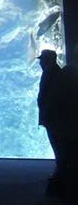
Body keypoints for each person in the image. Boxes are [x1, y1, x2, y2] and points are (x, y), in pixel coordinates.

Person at [44, 47, 78, 205]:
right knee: (69, 159)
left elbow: (53, 99)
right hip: (69, 124)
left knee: (67, 159)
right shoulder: (68, 72)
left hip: (67, 124)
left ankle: (62, 190)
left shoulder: (67, 72)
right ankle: (68, 193)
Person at [36, 50, 63, 197]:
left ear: (48, 60)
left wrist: (47, 117)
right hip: (51, 119)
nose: (40, 63)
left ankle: (61, 180)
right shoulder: (51, 73)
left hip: (54, 120)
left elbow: (52, 99)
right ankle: (60, 176)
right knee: (57, 148)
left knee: (59, 148)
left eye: (42, 60)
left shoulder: (54, 74)